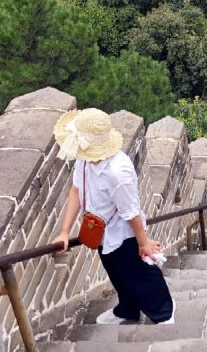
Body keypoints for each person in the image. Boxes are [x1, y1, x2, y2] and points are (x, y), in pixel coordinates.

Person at [51, 108, 175, 325]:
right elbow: (76, 190)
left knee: (139, 273)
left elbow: (131, 211)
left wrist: (143, 243)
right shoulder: (84, 160)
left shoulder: (118, 171)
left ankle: (164, 312)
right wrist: (64, 231)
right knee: (116, 272)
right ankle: (128, 309)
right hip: (98, 231)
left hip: (124, 232)